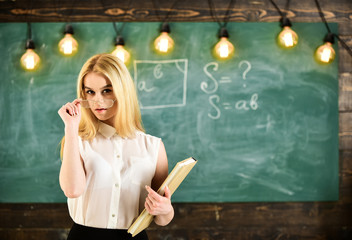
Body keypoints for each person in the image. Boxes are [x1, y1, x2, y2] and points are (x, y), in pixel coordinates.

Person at [58, 53, 174, 240]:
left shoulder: (154, 147)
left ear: (122, 91)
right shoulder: (78, 141)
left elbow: (162, 218)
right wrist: (70, 128)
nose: (97, 100)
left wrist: (166, 209)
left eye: (106, 91)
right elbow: (72, 190)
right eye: (90, 92)